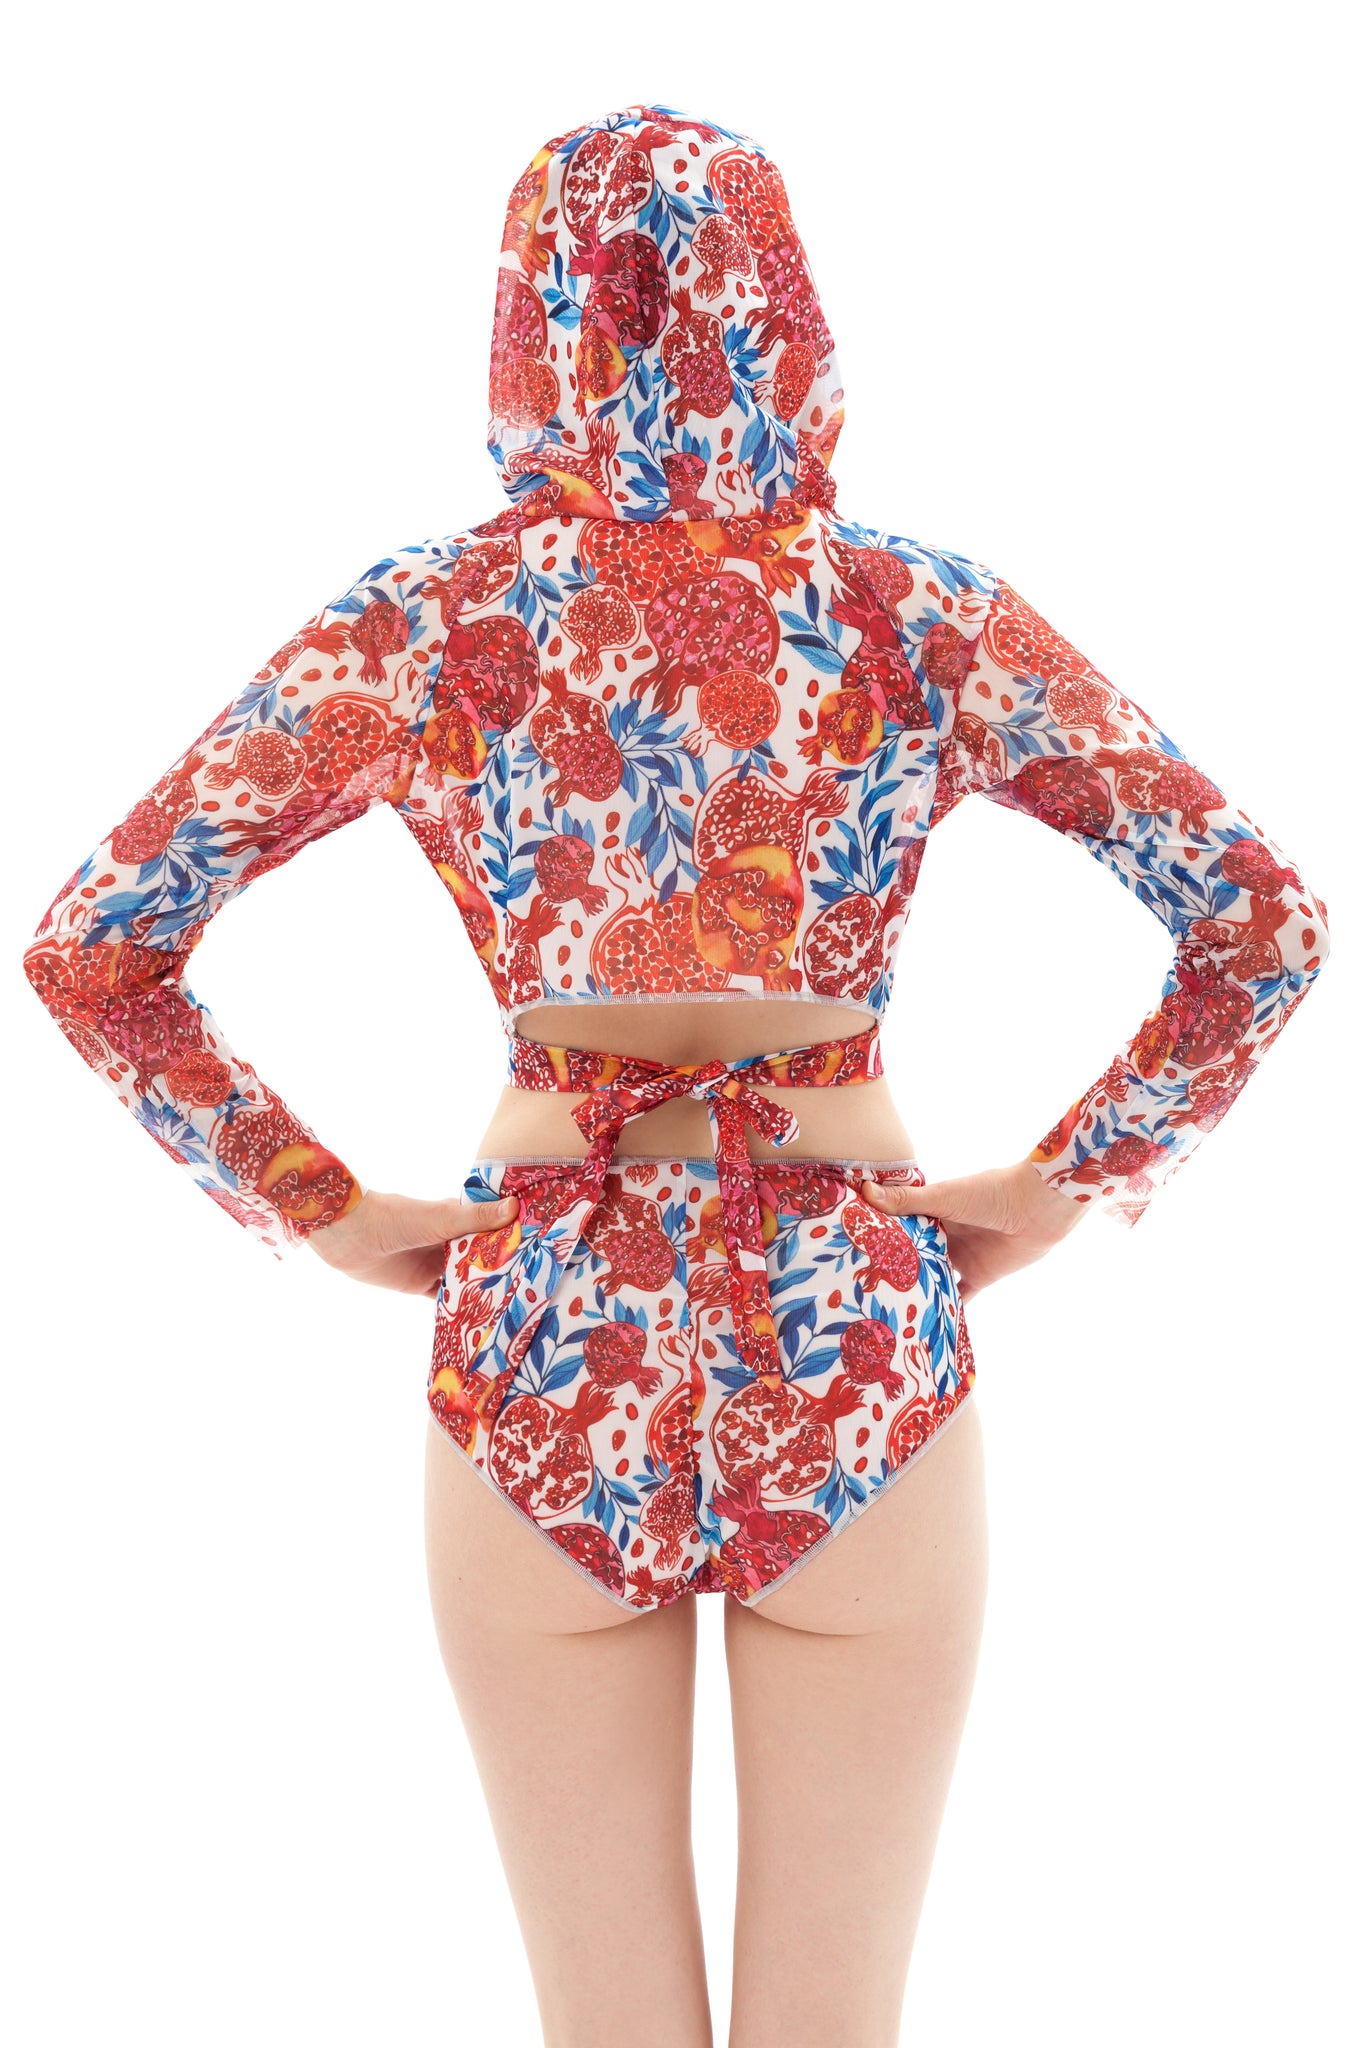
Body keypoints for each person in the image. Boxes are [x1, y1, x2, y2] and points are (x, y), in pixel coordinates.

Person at [22, 101, 1331, 2048]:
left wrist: (324, 1207)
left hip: (543, 1314)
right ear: (789, 308)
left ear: (524, 318)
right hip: (850, 1314)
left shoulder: (424, 620)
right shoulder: (914, 611)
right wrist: (1056, 1191)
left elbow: (94, 946)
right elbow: (1256, 919)